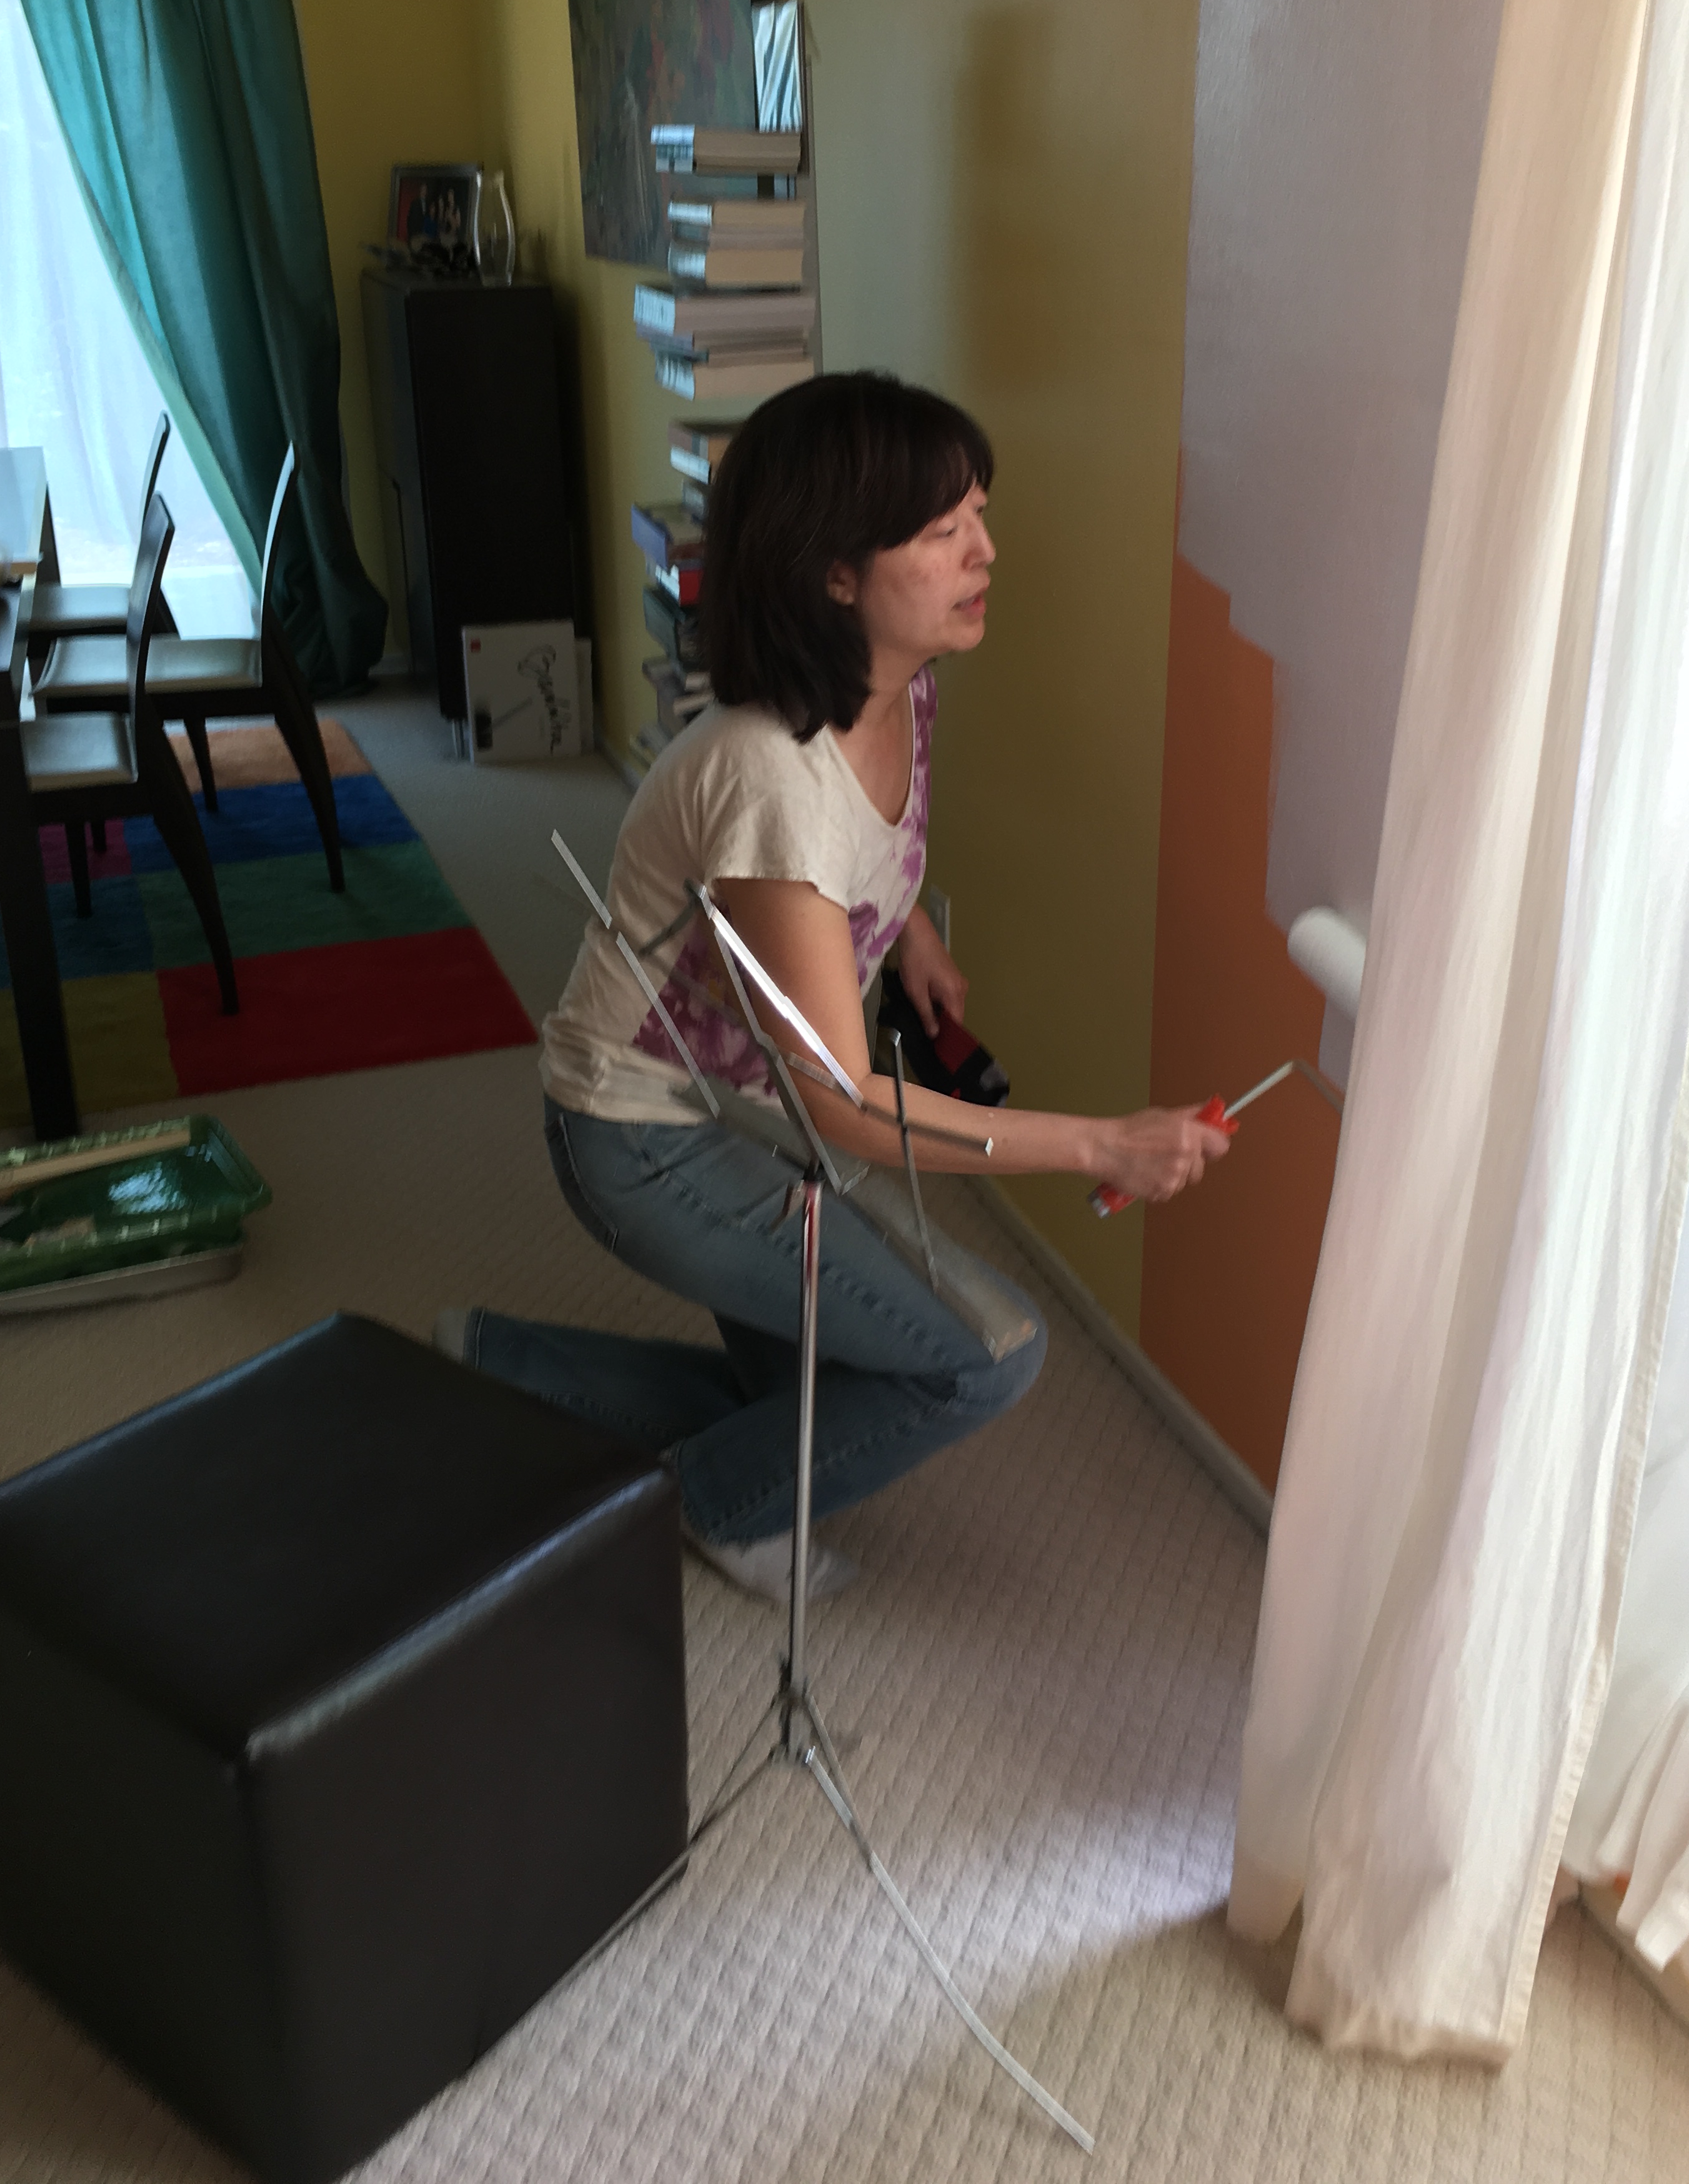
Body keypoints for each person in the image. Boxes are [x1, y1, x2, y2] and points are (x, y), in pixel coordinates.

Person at [440, 372, 1232, 1601]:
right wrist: (1099, 1144)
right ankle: (715, 1500)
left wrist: (904, 927)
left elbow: (852, 857)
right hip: (646, 1133)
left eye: (978, 514)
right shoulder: (773, 779)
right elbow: (846, 1105)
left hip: (750, 1106)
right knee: (980, 1358)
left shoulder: (901, 686)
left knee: (822, 1382)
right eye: (942, 530)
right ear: (837, 576)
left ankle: (506, 1369)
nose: (985, 551)